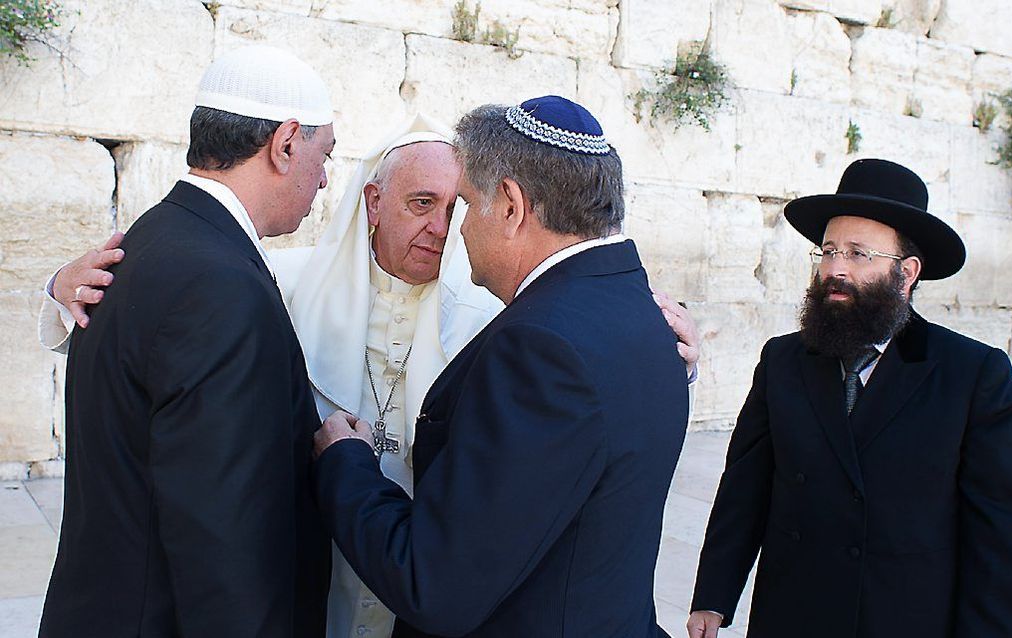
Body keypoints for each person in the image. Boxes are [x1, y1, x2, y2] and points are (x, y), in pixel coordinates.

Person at [42, 114, 703, 637]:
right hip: (311, 570)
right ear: (374, 203)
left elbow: (581, 401)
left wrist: (679, 359)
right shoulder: (272, 285)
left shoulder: (497, 318)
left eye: (456, 207)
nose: (442, 229)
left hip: (420, 583)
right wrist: (61, 292)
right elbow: (155, 346)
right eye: (422, 202)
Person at [313, 96, 689, 637]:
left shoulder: (540, 349)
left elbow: (435, 584)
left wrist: (345, 464)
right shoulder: (641, 312)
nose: (456, 233)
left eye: (465, 204)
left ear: (510, 205)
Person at [38, 45, 335, 637]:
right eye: (324, 154)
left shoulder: (150, 239)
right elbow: (225, 539)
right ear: (285, 143)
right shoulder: (222, 285)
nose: (325, 178)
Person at [686, 159, 1012, 638]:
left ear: (906, 274)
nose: (835, 269)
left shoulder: (973, 376)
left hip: (901, 619)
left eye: (858, 254)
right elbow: (745, 489)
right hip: (791, 615)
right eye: (828, 251)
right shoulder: (783, 361)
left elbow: (998, 537)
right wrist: (713, 597)